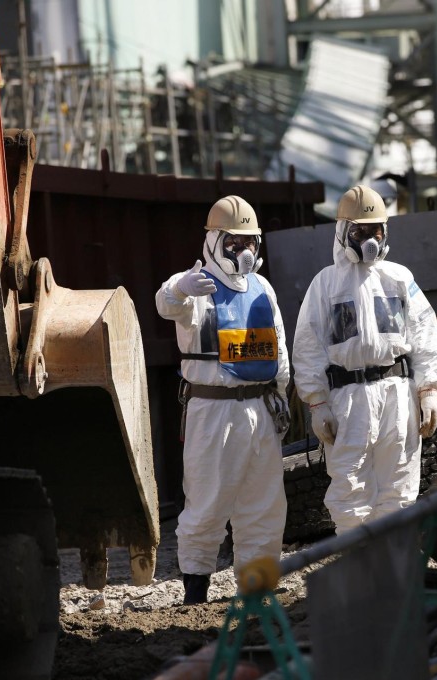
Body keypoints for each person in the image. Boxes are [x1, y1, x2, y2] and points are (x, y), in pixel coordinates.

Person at [155, 195, 290, 604]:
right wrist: (181, 287)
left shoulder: (263, 288)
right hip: (213, 411)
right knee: (208, 502)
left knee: (264, 504)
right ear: (213, 241)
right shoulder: (197, 286)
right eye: (233, 242)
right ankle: (196, 592)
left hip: (260, 410)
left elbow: (278, 345)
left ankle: (257, 587)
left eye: (250, 242)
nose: (243, 251)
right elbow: (165, 304)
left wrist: (284, 393)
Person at [292, 184, 437, 534]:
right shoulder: (325, 285)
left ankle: (392, 573)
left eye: (376, 231)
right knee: (349, 488)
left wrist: (429, 390)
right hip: (348, 399)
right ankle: (358, 572)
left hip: (397, 394)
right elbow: (308, 348)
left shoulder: (399, 278)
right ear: (343, 232)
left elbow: (424, 334)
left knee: (400, 485)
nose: (369, 240)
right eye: (360, 232)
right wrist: (317, 404)